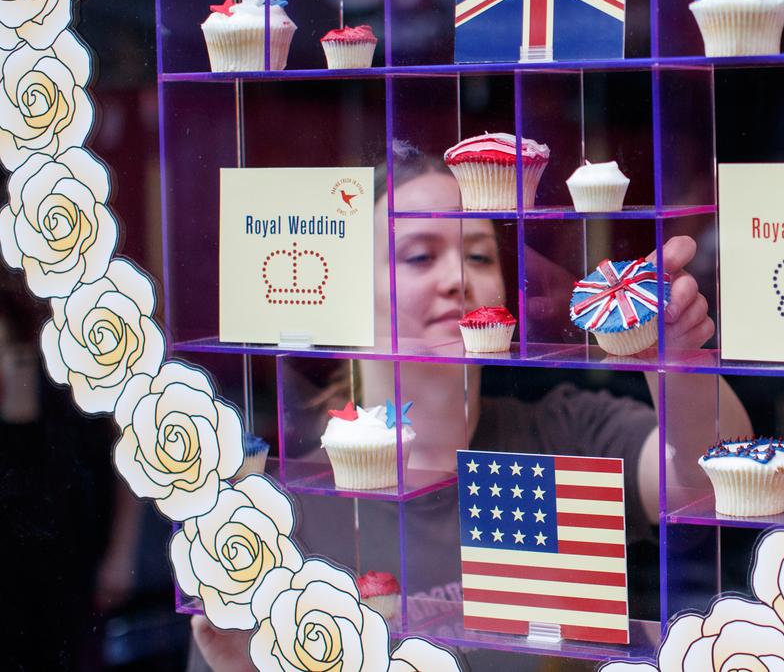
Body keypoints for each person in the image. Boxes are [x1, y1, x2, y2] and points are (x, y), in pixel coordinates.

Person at [190, 143, 751, 670]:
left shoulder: (562, 434)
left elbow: (705, 478)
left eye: (479, 255)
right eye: (418, 256)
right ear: (346, 296)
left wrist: (676, 362)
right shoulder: (279, 509)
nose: (459, 279)